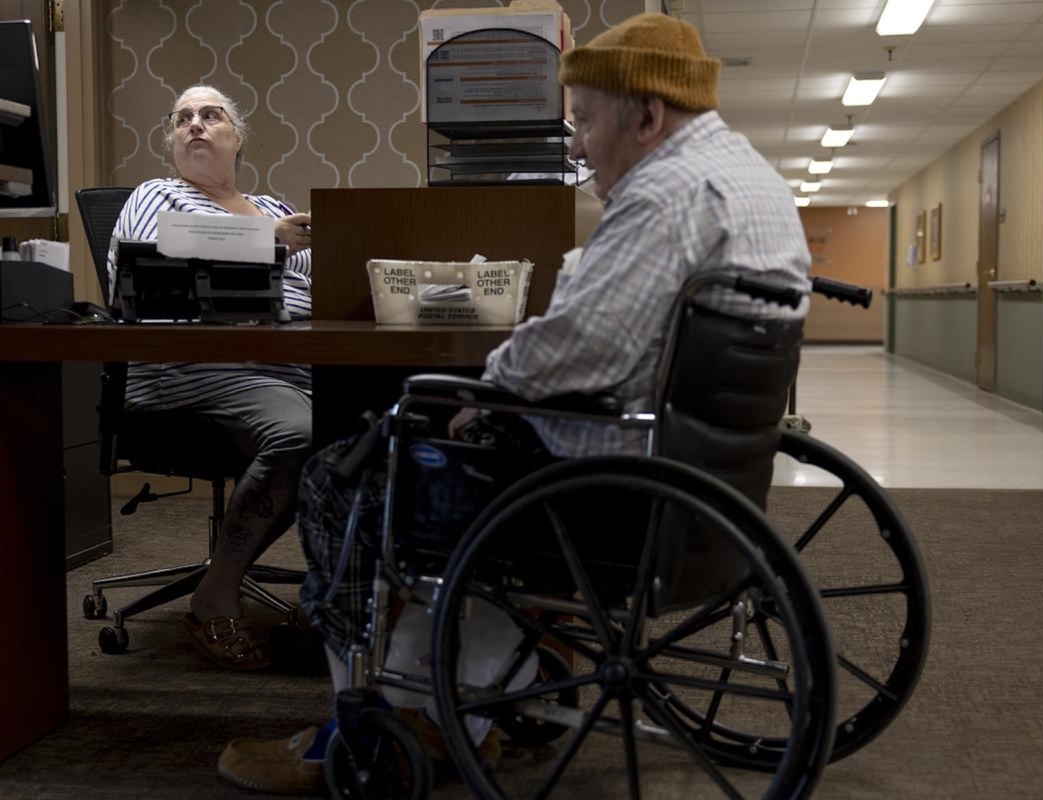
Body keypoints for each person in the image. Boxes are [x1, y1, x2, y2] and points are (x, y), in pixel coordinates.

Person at [215, 13, 811, 794]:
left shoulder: (666, 194)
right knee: (447, 463)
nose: (575, 146)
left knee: (341, 479)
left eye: (586, 121)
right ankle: (459, 702)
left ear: (646, 115)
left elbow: (582, 343)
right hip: (695, 473)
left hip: (604, 487)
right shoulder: (749, 181)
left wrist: (493, 387)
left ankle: (374, 725)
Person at [108, 84, 314, 671]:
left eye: (211, 115)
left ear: (237, 136)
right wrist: (267, 244)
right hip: (199, 368)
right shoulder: (159, 196)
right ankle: (214, 595)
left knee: (375, 425)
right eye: (183, 118)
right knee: (301, 434)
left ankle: (344, 604)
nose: (195, 124)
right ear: (173, 139)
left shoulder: (276, 208)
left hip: (292, 365)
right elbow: (159, 257)